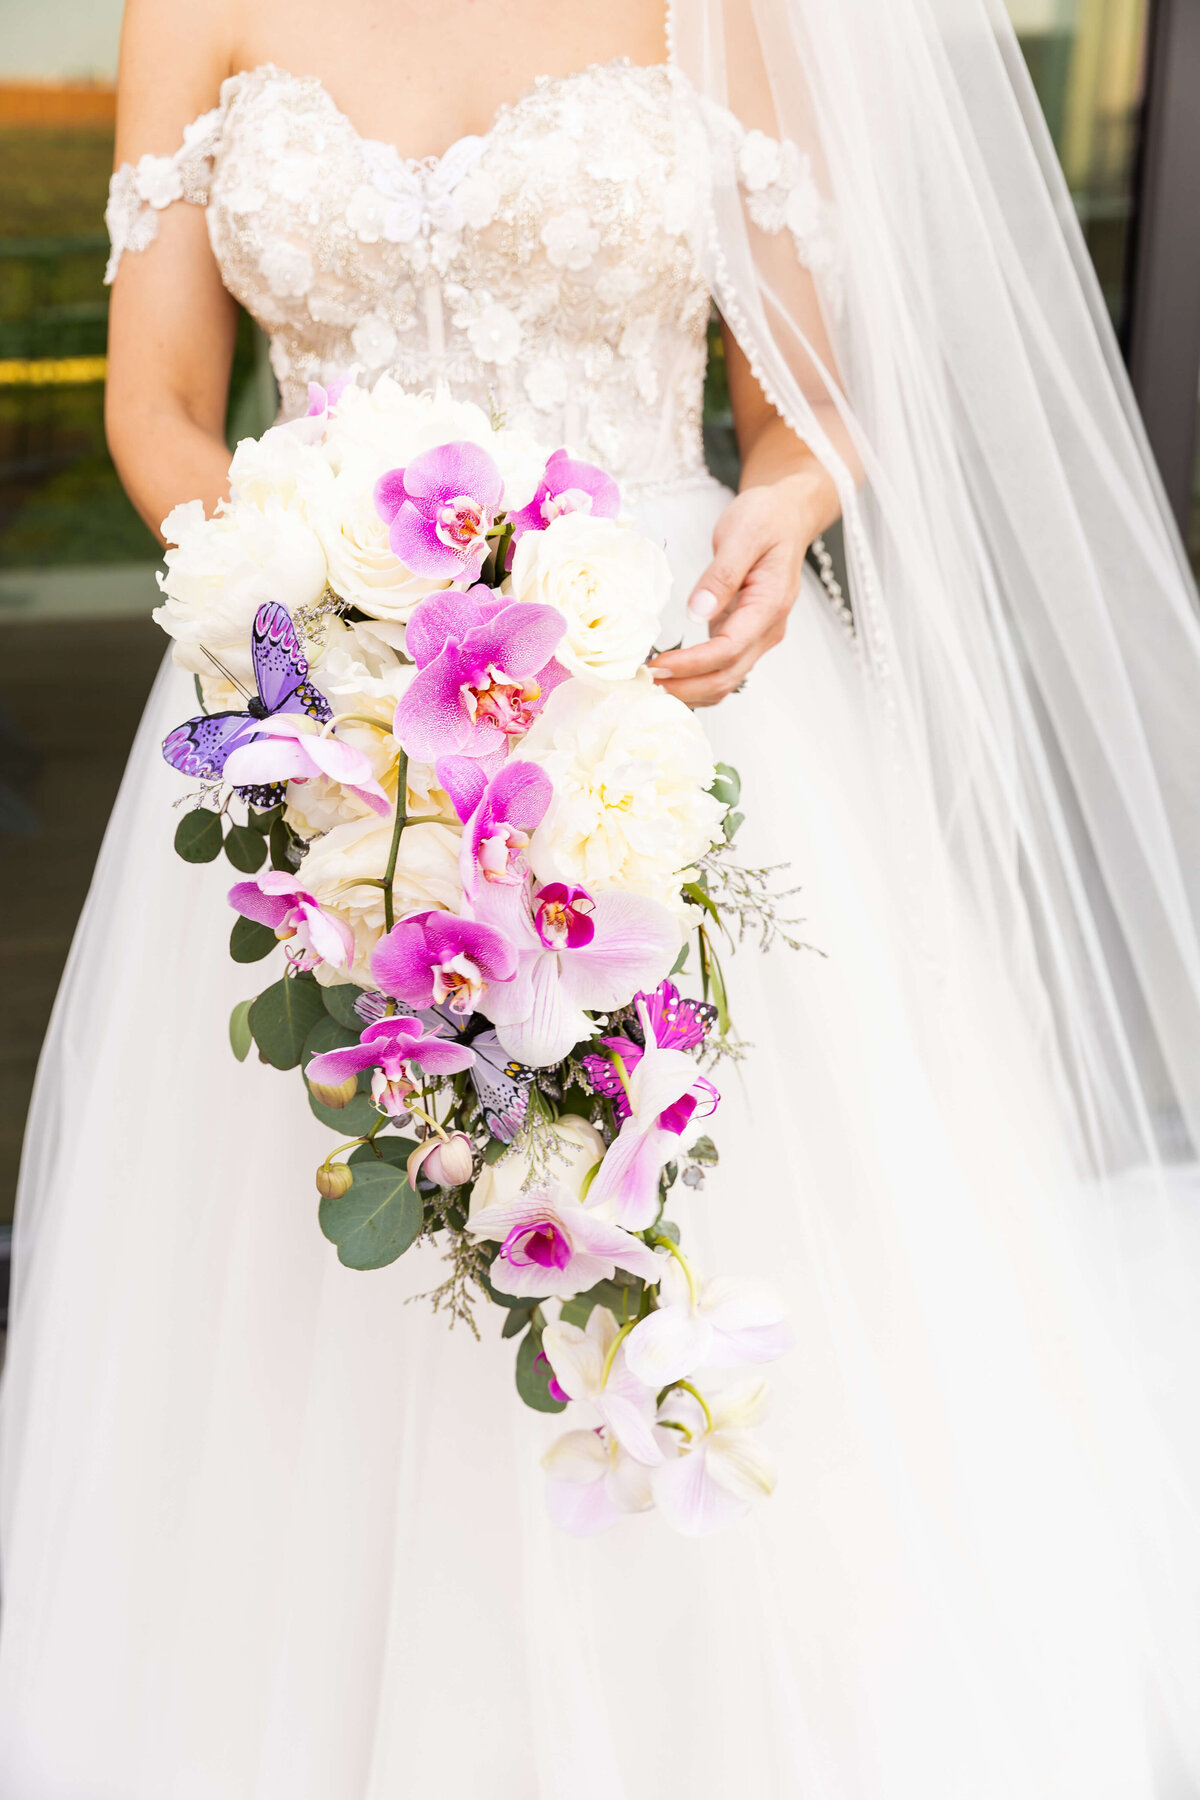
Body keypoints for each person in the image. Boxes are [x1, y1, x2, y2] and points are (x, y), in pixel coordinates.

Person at [2, 0, 1199, 1792]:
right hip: (319, 730)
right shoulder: (191, 5)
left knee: (701, 1256)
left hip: (656, 719)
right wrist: (313, 604)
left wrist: (783, 518)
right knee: (297, 1298)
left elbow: (800, 411)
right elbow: (162, 411)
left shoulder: (735, 14)